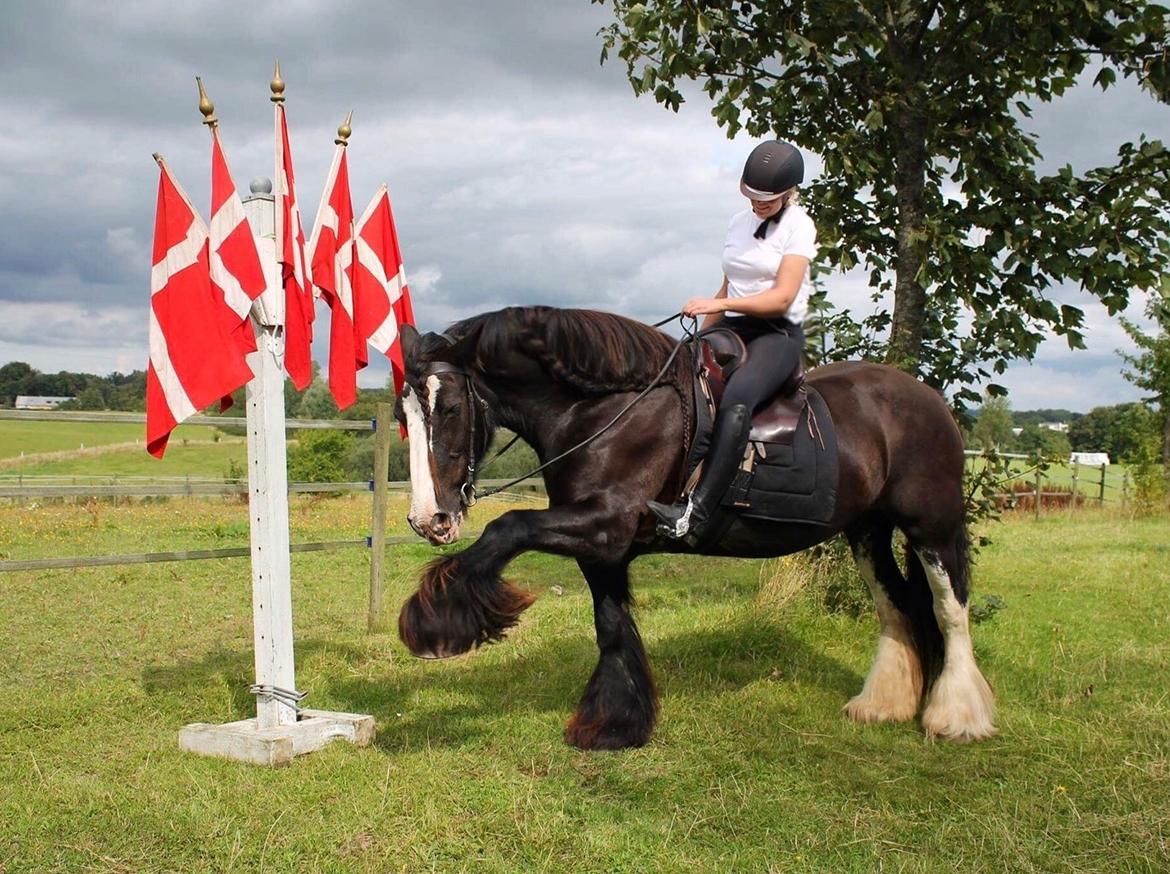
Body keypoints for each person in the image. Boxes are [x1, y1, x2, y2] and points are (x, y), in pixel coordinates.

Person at [649, 139, 817, 541]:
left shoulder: (799, 226)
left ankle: (697, 512)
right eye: (753, 196)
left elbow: (781, 297)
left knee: (738, 401)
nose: (759, 204)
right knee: (684, 385)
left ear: (788, 193)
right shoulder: (737, 223)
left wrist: (718, 301)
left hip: (776, 333)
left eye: (769, 199)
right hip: (733, 327)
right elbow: (731, 283)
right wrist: (699, 339)